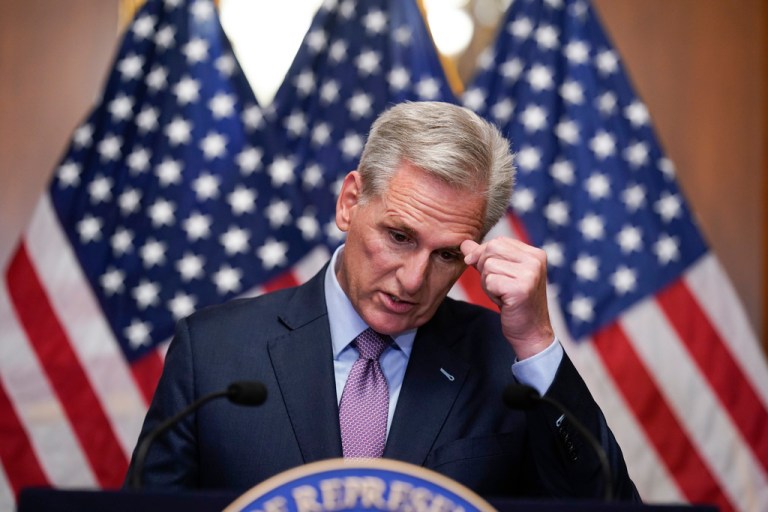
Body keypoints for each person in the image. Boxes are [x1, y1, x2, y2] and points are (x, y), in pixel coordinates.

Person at [125, 101, 640, 500]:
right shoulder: (213, 354)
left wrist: (536, 342)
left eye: (446, 255)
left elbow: (608, 506)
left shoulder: (507, 362)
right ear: (350, 202)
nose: (413, 281)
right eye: (399, 236)